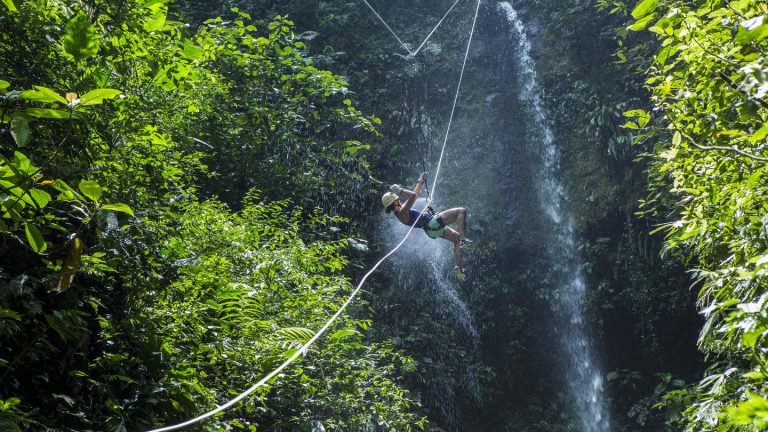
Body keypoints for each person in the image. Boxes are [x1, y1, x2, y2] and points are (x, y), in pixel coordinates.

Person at [381, 172, 472, 280]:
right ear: (393, 203)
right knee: (461, 211)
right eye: (397, 199)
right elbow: (413, 196)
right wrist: (400, 190)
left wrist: (420, 180)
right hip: (432, 223)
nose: (399, 200)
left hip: (431, 230)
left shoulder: (401, 213)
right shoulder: (402, 213)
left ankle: (458, 268)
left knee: (455, 239)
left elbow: (415, 194)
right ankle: (462, 238)